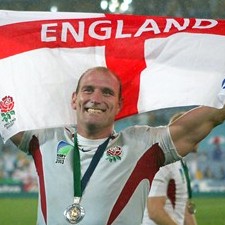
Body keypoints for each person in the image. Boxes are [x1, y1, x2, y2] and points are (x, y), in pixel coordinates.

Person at [10, 66, 225, 225]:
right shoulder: (45, 139)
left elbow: (210, 117)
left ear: (119, 105)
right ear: (74, 99)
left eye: (107, 92)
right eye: (88, 89)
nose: (96, 98)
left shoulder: (142, 146)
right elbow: (5, 113)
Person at [142, 112, 198, 225]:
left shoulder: (179, 162)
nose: (201, 135)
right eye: (196, 131)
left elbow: (184, 208)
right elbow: (155, 211)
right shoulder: (163, 162)